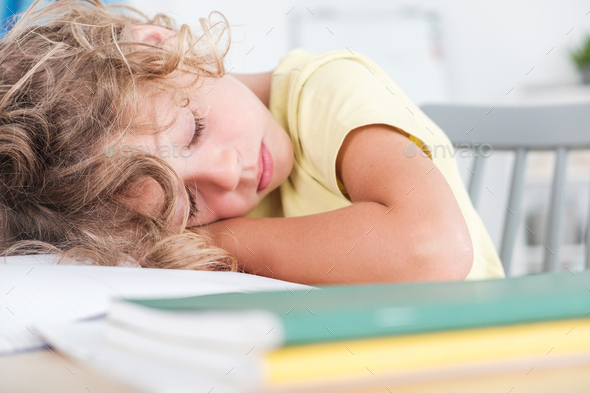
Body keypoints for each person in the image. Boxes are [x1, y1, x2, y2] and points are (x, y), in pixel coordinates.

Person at [0, 0, 505, 284]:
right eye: (190, 202)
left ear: (162, 49)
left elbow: (431, 250)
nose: (226, 175)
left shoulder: (326, 89)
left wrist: (210, 242)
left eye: (194, 129)